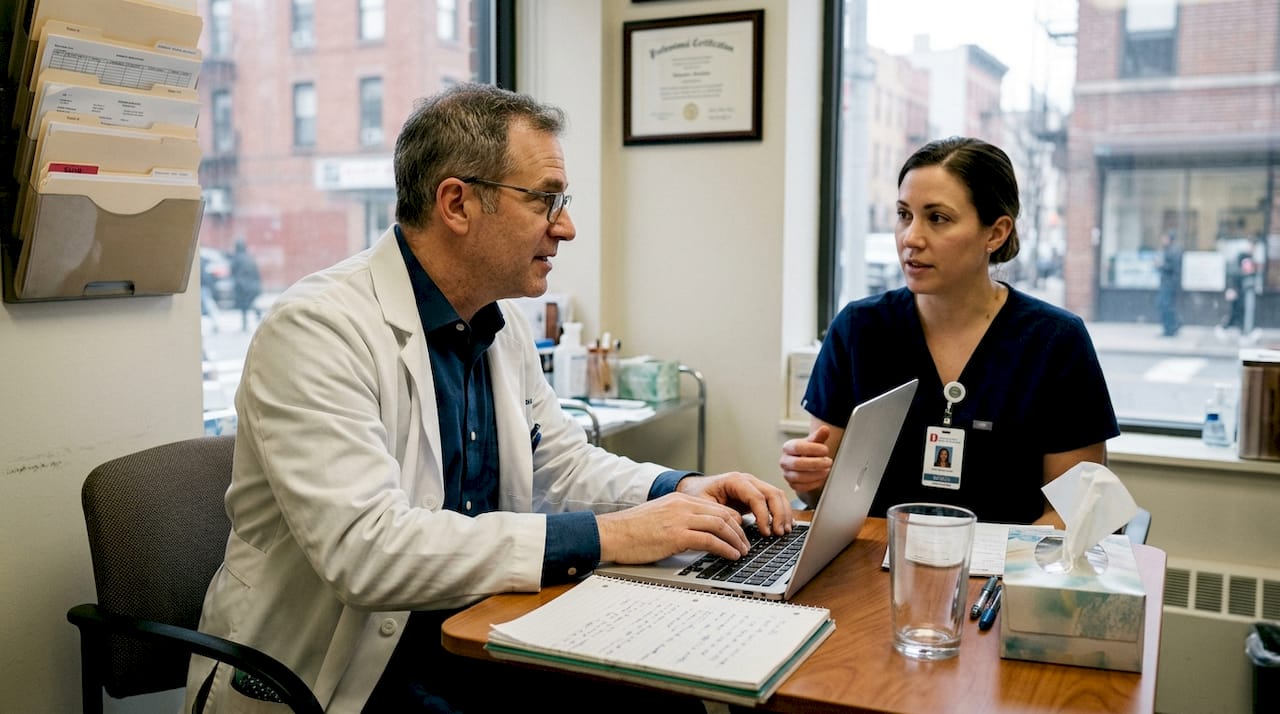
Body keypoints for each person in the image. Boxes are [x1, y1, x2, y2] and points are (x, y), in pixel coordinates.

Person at [185, 83, 792, 713]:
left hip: (478, 633)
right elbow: (366, 552)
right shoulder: (317, 329)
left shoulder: (500, 326)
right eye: (546, 200)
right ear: (457, 203)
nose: (567, 227)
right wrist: (611, 536)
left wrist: (678, 491)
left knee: (661, 697)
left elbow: (564, 464)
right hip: (351, 669)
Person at [780, 137, 1119, 527]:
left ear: (996, 233)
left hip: (1002, 574)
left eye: (937, 218)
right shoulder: (859, 330)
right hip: (874, 564)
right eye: (904, 215)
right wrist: (807, 479)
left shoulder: (1055, 340)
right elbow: (823, 494)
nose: (911, 238)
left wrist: (980, 574)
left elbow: (1073, 513)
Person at [229, 239, 262, 331]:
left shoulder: (237, 258)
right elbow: (257, 273)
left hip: (242, 286)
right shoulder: (249, 258)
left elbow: (232, 271)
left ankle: (245, 324)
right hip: (253, 285)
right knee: (248, 303)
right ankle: (256, 314)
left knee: (244, 305)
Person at [1156, 230, 1182, 337]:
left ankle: (1172, 327)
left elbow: (1174, 268)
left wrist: (1161, 265)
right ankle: (1172, 326)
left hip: (1169, 284)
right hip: (1167, 283)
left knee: (1165, 305)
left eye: (1165, 238)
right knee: (1164, 305)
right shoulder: (1168, 250)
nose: (1162, 240)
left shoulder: (1174, 251)